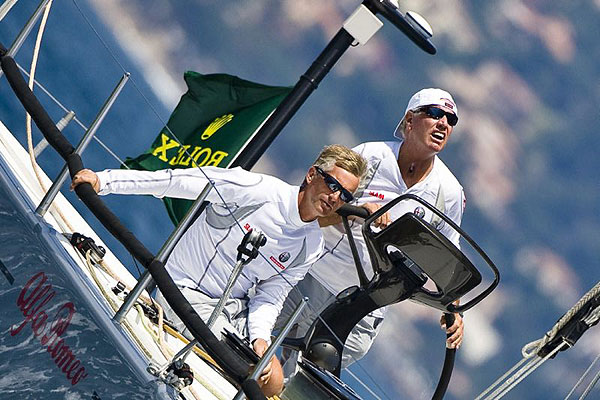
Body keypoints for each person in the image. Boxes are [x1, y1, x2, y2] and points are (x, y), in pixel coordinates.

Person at [70, 144, 367, 396]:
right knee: (249, 373)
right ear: (312, 174)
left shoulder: (311, 244)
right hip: (182, 294)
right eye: (332, 184)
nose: (335, 197)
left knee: (273, 383)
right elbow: (178, 181)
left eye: (346, 195)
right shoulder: (259, 190)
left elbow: (271, 295)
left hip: (229, 316)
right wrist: (104, 181)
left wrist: (261, 340)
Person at [276, 88, 466, 374]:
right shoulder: (372, 156)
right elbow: (316, 213)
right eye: (435, 114)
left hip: (363, 308)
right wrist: (356, 214)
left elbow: (448, 259)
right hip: (313, 278)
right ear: (410, 121)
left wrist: (454, 310)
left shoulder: (449, 192)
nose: (443, 123)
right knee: (251, 348)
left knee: (300, 382)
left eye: (451, 120)